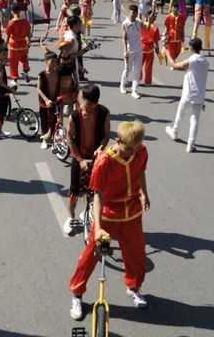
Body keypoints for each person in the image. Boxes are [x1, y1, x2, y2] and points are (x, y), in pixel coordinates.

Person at [69, 120, 150, 320]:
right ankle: (77, 295)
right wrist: (97, 228)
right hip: (108, 214)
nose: (132, 152)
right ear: (118, 141)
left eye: (136, 148)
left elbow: (140, 173)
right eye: (128, 148)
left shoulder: (141, 151)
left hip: (131, 213)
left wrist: (144, 194)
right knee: (91, 256)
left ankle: (133, 287)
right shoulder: (104, 161)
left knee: (137, 254)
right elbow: (98, 195)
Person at [63, 84, 111, 234]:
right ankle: (70, 217)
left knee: (94, 189)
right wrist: (80, 159)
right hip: (79, 156)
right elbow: (69, 138)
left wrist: (100, 148)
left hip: (96, 157)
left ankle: (86, 212)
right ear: (82, 99)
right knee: (74, 191)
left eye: (94, 104)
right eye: (88, 104)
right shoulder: (75, 116)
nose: (90, 107)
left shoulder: (103, 113)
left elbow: (106, 135)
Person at [164, 37, 209, 153]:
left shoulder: (191, 60)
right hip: (200, 95)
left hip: (188, 94)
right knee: (195, 120)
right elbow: (188, 70)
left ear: (191, 48)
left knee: (181, 113)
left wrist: (167, 51)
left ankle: (175, 132)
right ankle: (191, 144)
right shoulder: (205, 62)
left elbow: (174, 65)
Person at [37, 51, 61, 150]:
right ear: (46, 61)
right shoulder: (42, 75)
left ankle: (55, 140)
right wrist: (46, 99)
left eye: (55, 61)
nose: (54, 63)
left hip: (55, 101)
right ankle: (44, 140)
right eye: (52, 61)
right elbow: (38, 89)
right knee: (45, 121)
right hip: (45, 103)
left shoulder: (58, 73)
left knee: (55, 121)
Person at [120, 4, 143, 99]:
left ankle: (134, 90)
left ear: (137, 13)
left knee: (137, 71)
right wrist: (125, 51)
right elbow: (123, 39)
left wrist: (150, 19)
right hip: (130, 51)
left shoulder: (138, 22)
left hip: (138, 50)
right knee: (127, 70)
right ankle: (122, 84)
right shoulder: (125, 24)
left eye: (134, 12)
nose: (132, 14)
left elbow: (148, 27)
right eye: (131, 12)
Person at [5, 3, 32, 82]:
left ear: (12, 12)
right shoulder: (25, 21)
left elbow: (8, 36)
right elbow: (28, 33)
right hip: (23, 43)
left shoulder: (11, 23)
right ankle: (26, 72)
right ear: (19, 11)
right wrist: (29, 41)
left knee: (14, 62)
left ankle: (14, 78)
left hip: (14, 45)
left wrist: (5, 46)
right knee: (24, 59)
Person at [140, 10, 161, 85]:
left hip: (142, 49)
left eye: (155, 16)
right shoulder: (154, 28)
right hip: (148, 50)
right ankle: (147, 82)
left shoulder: (141, 25)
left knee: (139, 65)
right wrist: (158, 51)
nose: (155, 17)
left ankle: (138, 78)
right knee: (148, 67)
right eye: (153, 16)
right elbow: (156, 42)